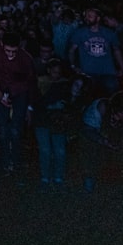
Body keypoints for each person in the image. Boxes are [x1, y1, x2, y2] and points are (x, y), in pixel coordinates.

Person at [0, 30, 38, 179]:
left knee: (15, 130)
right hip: (0, 89)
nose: (10, 55)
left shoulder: (26, 59)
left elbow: (31, 83)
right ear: (2, 45)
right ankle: (4, 164)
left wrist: (29, 107)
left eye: (14, 51)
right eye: (8, 51)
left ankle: (15, 164)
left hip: (19, 93)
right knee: (2, 130)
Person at [32, 59, 83, 190]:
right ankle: (45, 178)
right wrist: (50, 105)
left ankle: (58, 178)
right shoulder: (38, 82)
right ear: (48, 70)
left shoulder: (64, 85)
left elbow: (68, 106)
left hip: (58, 123)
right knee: (45, 150)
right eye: (54, 72)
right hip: (42, 121)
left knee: (60, 151)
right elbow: (36, 103)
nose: (56, 75)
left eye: (59, 72)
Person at [68, 7, 123, 97]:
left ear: (98, 18)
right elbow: (71, 50)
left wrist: (122, 67)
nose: (87, 18)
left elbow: (116, 50)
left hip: (107, 73)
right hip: (87, 73)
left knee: (112, 91)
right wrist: (73, 66)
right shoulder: (79, 33)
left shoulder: (109, 33)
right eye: (86, 16)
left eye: (90, 16)